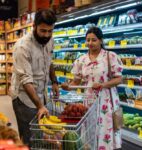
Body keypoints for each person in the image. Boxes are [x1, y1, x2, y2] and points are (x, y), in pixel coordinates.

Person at [61, 26, 123, 150]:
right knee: (90, 130)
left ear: (101, 40)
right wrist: (68, 87)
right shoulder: (81, 60)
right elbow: (76, 81)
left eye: (93, 40)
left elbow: (119, 79)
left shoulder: (110, 56)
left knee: (106, 129)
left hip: (107, 100)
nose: (90, 43)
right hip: (88, 100)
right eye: (87, 40)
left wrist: (103, 85)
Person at [10, 9, 59, 146]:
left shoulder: (50, 41)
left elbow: (49, 61)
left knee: (39, 135)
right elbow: (26, 81)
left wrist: (54, 81)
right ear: (34, 26)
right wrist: (40, 106)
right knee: (29, 138)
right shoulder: (23, 47)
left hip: (40, 94)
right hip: (24, 98)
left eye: (50, 31)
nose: (46, 35)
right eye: (43, 31)